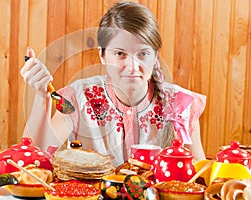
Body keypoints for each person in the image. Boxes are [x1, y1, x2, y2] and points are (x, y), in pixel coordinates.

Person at [20, 1, 206, 167]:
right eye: (120, 54)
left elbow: (201, 177)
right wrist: (41, 95)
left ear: (155, 55)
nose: (132, 67)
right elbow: (34, 159)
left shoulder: (180, 104)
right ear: (102, 54)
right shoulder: (79, 98)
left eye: (143, 54)